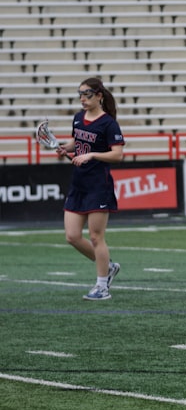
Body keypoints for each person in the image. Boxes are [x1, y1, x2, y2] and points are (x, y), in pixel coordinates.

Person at [57, 77, 125, 301]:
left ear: (99, 96)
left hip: (99, 186)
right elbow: (77, 142)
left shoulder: (108, 123)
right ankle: (109, 266)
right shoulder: (78, 118)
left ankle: (102, 287)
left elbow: (117, 154)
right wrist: (65, 147)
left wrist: (92, 154)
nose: (82, 99)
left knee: (96, 237)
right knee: (72, 236)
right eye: (80, 94)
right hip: (79, 185)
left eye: (87, 94)